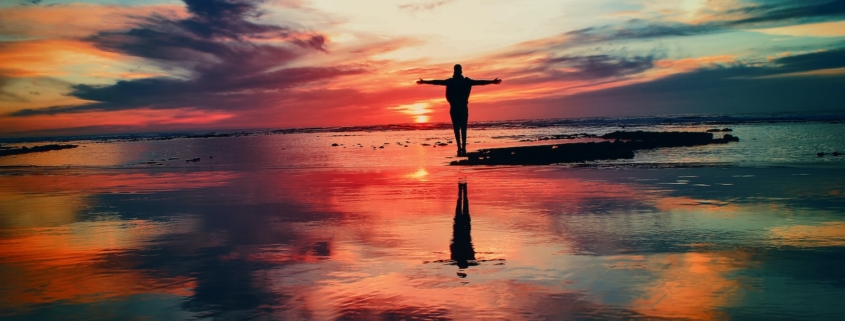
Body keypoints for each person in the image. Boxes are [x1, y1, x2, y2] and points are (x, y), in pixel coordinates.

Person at [417, 64, 502, 156]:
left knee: (462, 128)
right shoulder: (455, 81)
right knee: (458, 128)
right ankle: (460, 147)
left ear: (456, 71)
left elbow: (480, 82)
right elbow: (437, 82)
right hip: (456, 107)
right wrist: (424, 81)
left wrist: (492, 82)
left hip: (460, 107)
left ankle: (462, 147)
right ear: (459, 71)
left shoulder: (462, 81)